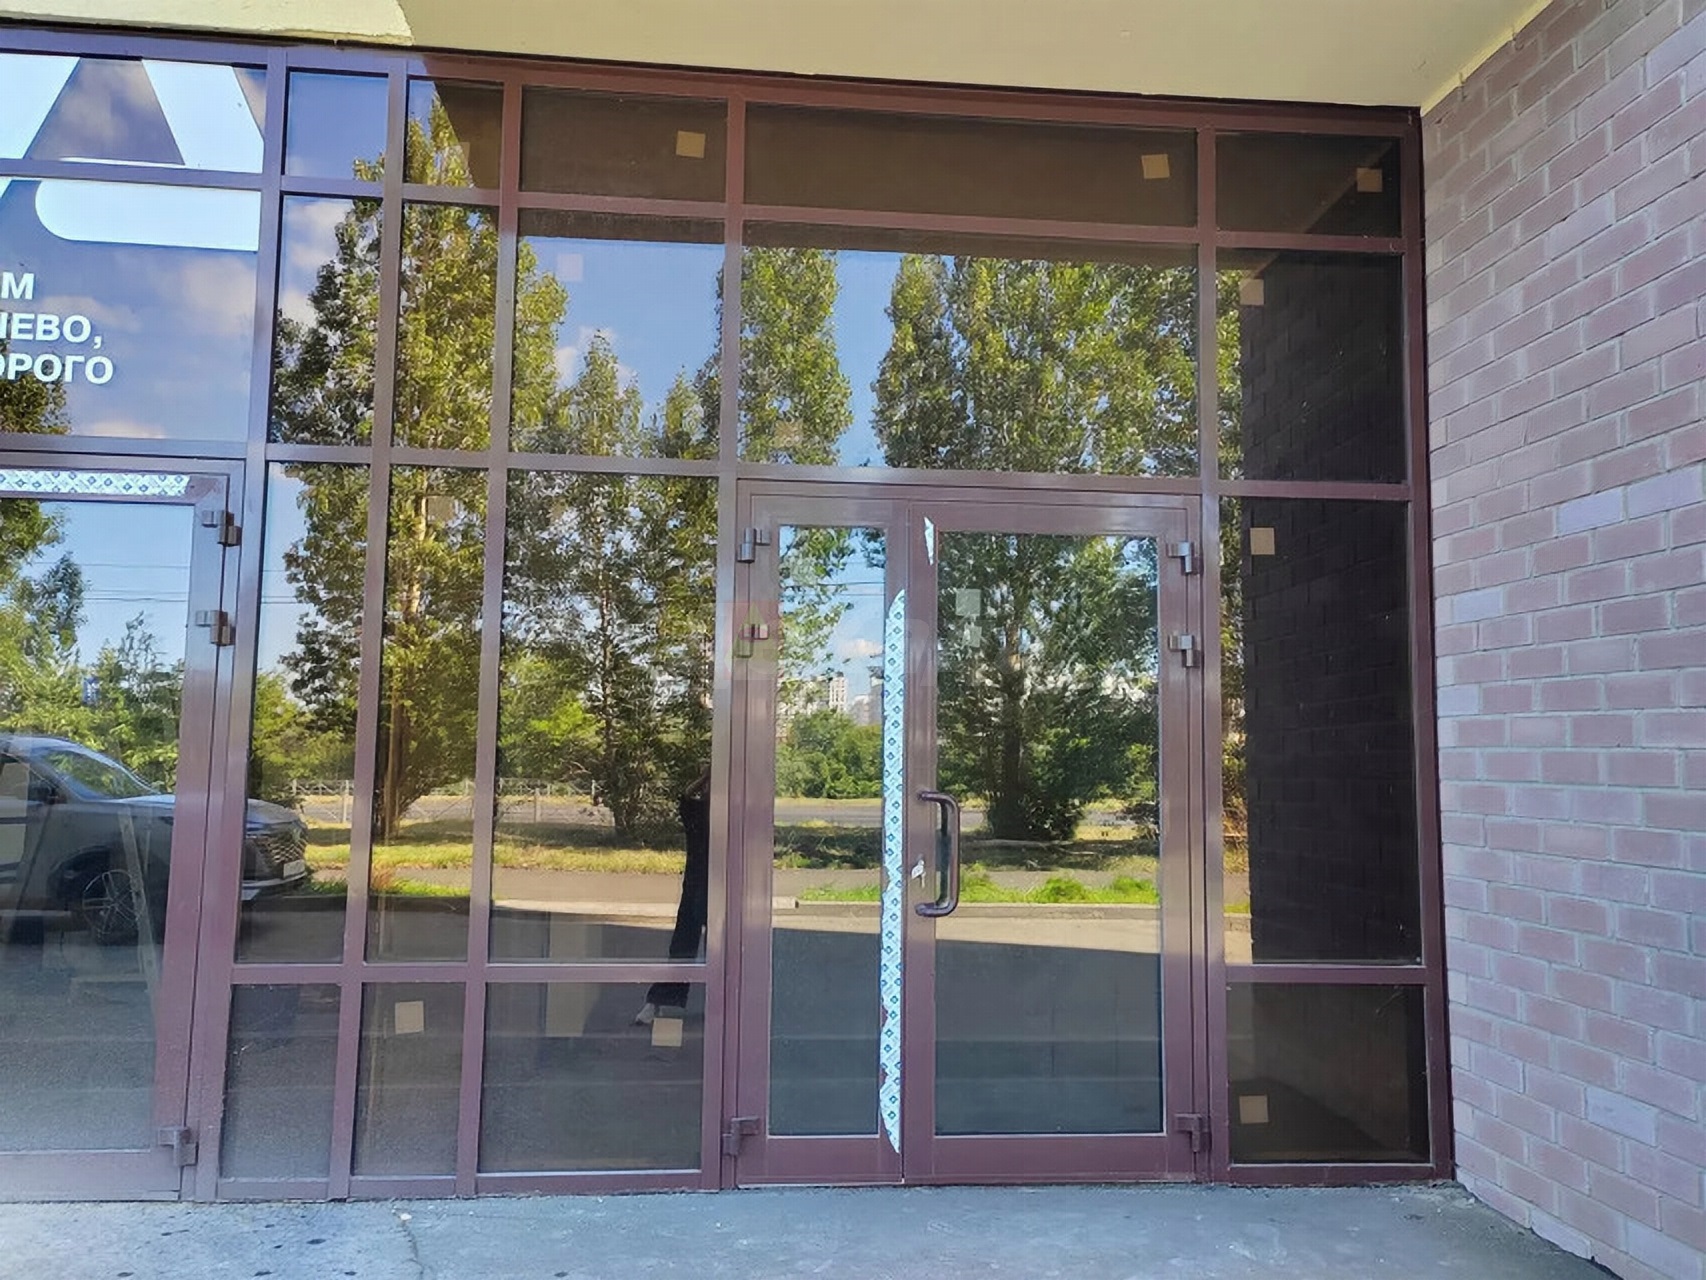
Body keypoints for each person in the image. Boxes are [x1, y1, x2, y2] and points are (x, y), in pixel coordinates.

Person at [634, 766, 710, 1025]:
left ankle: (722, 1004)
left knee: (717, 950)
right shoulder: (698, 813)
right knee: (682, 948)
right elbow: (687, 797)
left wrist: (707, 778)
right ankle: (657, 1002)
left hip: (715, 890)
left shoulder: (726, 817)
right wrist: (705, 777)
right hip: (697, 888)